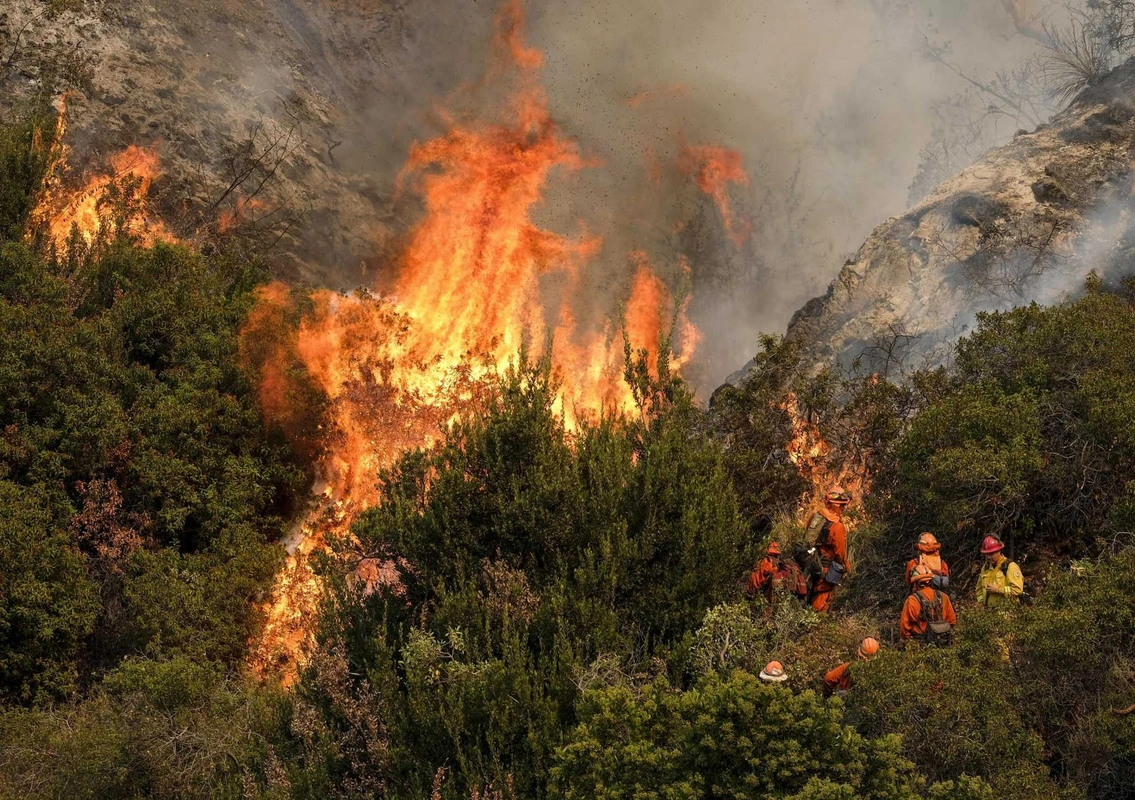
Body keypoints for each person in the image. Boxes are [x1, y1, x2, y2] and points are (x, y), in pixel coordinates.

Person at [805, 486, 851, 612]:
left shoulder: (816, 517)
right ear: (831, 504)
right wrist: (846, 567)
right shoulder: (837, 526)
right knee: (823, 600)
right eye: (840, 505)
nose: (843, 508)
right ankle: (816, 627)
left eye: (844, 505)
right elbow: (840, 554)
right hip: (825, 569)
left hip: (810, 563)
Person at [900, 564, 957, 645]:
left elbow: (904, 627)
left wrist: (910, 643)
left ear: (916, 583)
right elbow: (952, 621)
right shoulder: (944, 597)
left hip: (920, 644)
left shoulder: (912, 600)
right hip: (943, 643)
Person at [976, 535, 1024, 607]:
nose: (988, 557)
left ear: (999, 551)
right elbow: (979, 589)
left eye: (991, 554)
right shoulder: (985, 568)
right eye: (986, 554)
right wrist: (982, 603)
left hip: (1007, 614)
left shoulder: (1010, 567)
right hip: (990, 614)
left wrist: (998, 590)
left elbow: (1017, 590)